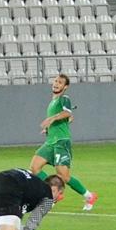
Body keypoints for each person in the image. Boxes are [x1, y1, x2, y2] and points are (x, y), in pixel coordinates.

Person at [29, 74, 98, 211]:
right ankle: (53, 193)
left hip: (61, 141)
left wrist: (52, 119)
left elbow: (67, 114)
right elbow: (68, 118)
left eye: (60, 82)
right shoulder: (52, 102)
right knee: (35, 168)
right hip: (51, 141)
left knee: (64, 177)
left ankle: (89, 196)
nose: (56, 84)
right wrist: (49, 129)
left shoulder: (64, 99)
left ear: (65, 87)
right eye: (55, 81)